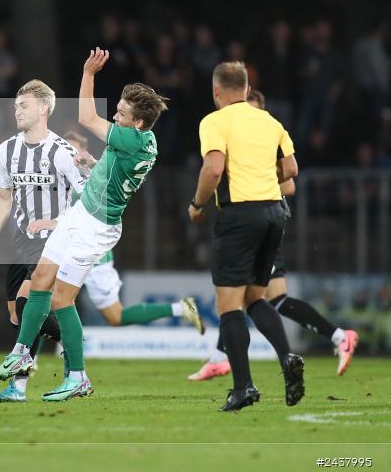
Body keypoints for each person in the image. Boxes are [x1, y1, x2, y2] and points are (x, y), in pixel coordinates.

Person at [0, 47, 169, 402]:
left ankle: (78, 376)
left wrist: (88, 73)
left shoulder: (131, 138)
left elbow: (87, 118)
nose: (115, 117)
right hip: (80, 214)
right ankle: (22, 353)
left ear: (140, 123)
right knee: (40, 279)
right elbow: (115, 168)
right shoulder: (143, 141)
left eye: (121, 114)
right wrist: (94, 162)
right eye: (116, 110)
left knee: (61, 299)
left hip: (96, 226)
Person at [188, 90, 359, 381]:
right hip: (262, 222)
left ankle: (336, 336)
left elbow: (290, 184)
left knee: (249, 297)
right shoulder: (244, 132)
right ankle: (223, 356)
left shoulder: (265, 130)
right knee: (257, 298)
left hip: (260, 224)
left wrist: (252, 182)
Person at [188, 62, 305, 412]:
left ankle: (243, 388)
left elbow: (213, 168)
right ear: (246, 87)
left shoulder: (215, 121)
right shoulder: (270, 121)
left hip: (240, 214)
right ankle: (287, 357)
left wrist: (196, 204)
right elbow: (292, 169)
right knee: (256, 296)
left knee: (229, 305)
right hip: (275, 213)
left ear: (216, 91)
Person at [0, 79, 89, 402]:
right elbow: (3, 197)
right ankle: (72, 346)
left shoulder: (63, 152)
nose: (17, 110)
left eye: (23, 105)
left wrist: (55, 221)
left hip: (55, 240)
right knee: (17, 313)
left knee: (27, 300)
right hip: (22, 241)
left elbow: (88, 200)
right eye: (15, 106)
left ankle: (20, 386)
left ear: (44, 109)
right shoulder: (6, 150)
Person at [35, 131, 204, 334]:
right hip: (69, 249)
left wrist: (52, 223)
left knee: (115, 316)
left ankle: (181, 308)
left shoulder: (93, 179)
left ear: (83, 152)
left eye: (71, 149)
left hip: (94, 256)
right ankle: (33, 354)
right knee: (44, 295)